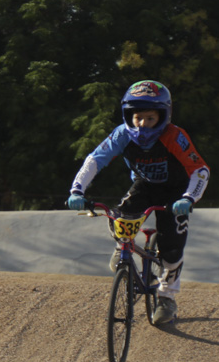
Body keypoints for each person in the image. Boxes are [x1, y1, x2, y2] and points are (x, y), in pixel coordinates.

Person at [66, 80, 210, 325]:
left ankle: (166, 297)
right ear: (128, 116)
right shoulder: (122, 133)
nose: (142, 125)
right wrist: (77, 190)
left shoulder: (175, 136)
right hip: (144, 186)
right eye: (137, 118)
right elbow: (95, 160)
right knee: (120, 216)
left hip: (175, 193)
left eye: (150, 118)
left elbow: (200, 170)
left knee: (172, 250)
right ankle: (123, 247)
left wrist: (189, 198)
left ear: (163, 116)